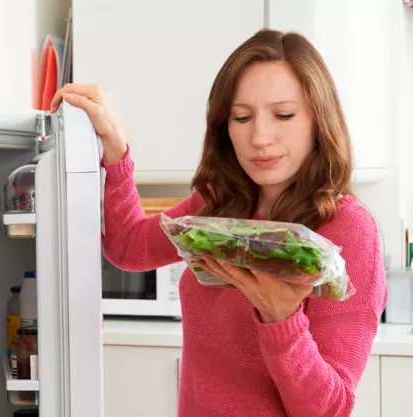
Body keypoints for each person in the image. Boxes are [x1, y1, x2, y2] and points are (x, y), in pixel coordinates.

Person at [51, 29, 387, 417]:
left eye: (283, 115)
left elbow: (328, 411)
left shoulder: (347, 229)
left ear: (318, 120)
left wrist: (281, 319)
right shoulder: (220, 203)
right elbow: (129, 247)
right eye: (241, 117)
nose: (260, 137)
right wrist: (115, 146)